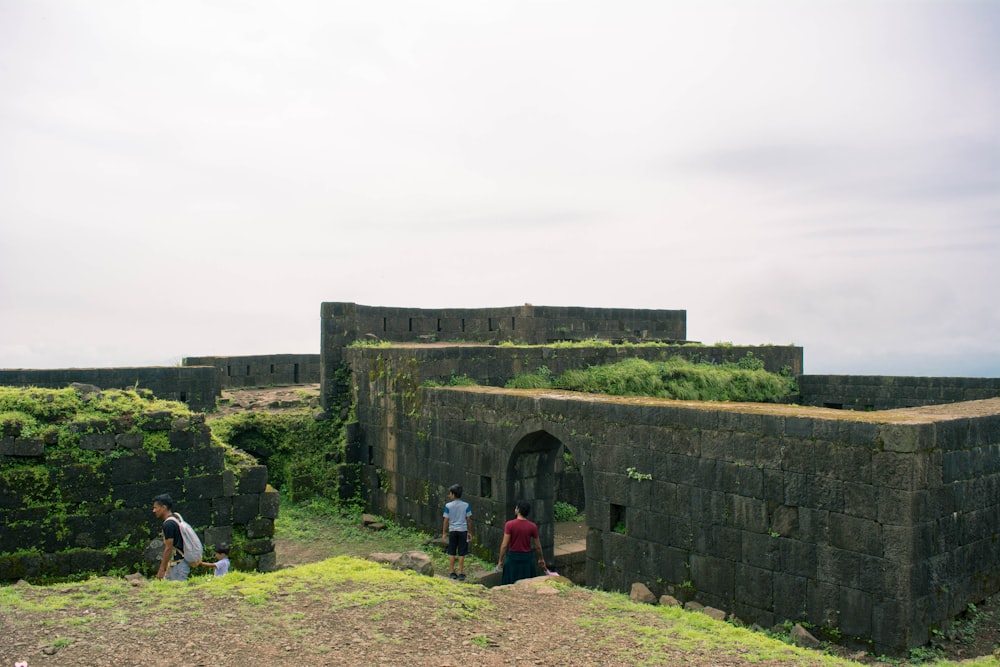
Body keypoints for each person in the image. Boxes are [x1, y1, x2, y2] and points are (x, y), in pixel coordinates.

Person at [497, 500, 546, 585]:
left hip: (513, 558)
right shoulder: (532, 526)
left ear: (518, 510)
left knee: (510, 584)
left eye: (516, 507)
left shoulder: (509, 525)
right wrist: (541, 558)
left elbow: (504, 545)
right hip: (526, 559)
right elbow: (538, 546)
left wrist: (500, 560)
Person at [152, 493, 188, 581]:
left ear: (164, 507)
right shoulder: (175, 519)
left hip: (177, 565)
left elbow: (168, 548)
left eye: (156, 507)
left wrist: (161, 569)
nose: (154, 510)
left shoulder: (168, 524)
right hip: (180, 564)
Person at [441, 484, 472, 581]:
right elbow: (468, 519)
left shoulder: (448, 506)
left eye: (450, 493)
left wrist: (444, 533)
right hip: (463, 530)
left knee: (452, 551)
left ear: (453, 494)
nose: (449, 495)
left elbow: (446, 520)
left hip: (453, 530)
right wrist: (470, 532)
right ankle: (461, 572)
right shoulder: (466, 505)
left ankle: (451, 572)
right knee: (462, 552)